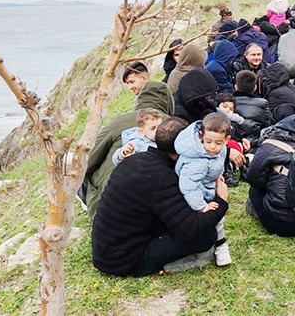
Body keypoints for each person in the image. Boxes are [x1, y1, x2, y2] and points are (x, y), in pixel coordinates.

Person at [92, 118, 229, 276]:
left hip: (107, 247)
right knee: (206, 236)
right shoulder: (162, 178)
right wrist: (221, 201)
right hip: (124, 260)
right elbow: (192, 228)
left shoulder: (136, 159)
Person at [83, 79, 174, 219]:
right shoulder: (173, 126)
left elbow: (88, 161)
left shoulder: (118, 122)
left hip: (106, 207)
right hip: (158, 207)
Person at [173, 113, 234, 266]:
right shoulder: (197, 161)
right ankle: (220, 246)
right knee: (216, 217)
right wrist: (201, 206)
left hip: (207, 186)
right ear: (201, 136)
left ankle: (218, 243)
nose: (213, 147)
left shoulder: (219, 150)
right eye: (208, 141)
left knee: (217, 220)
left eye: (218, 142)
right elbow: (188, 185)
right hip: (195, 195)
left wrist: (218, 175)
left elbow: (218, 161)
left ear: (226, 140)